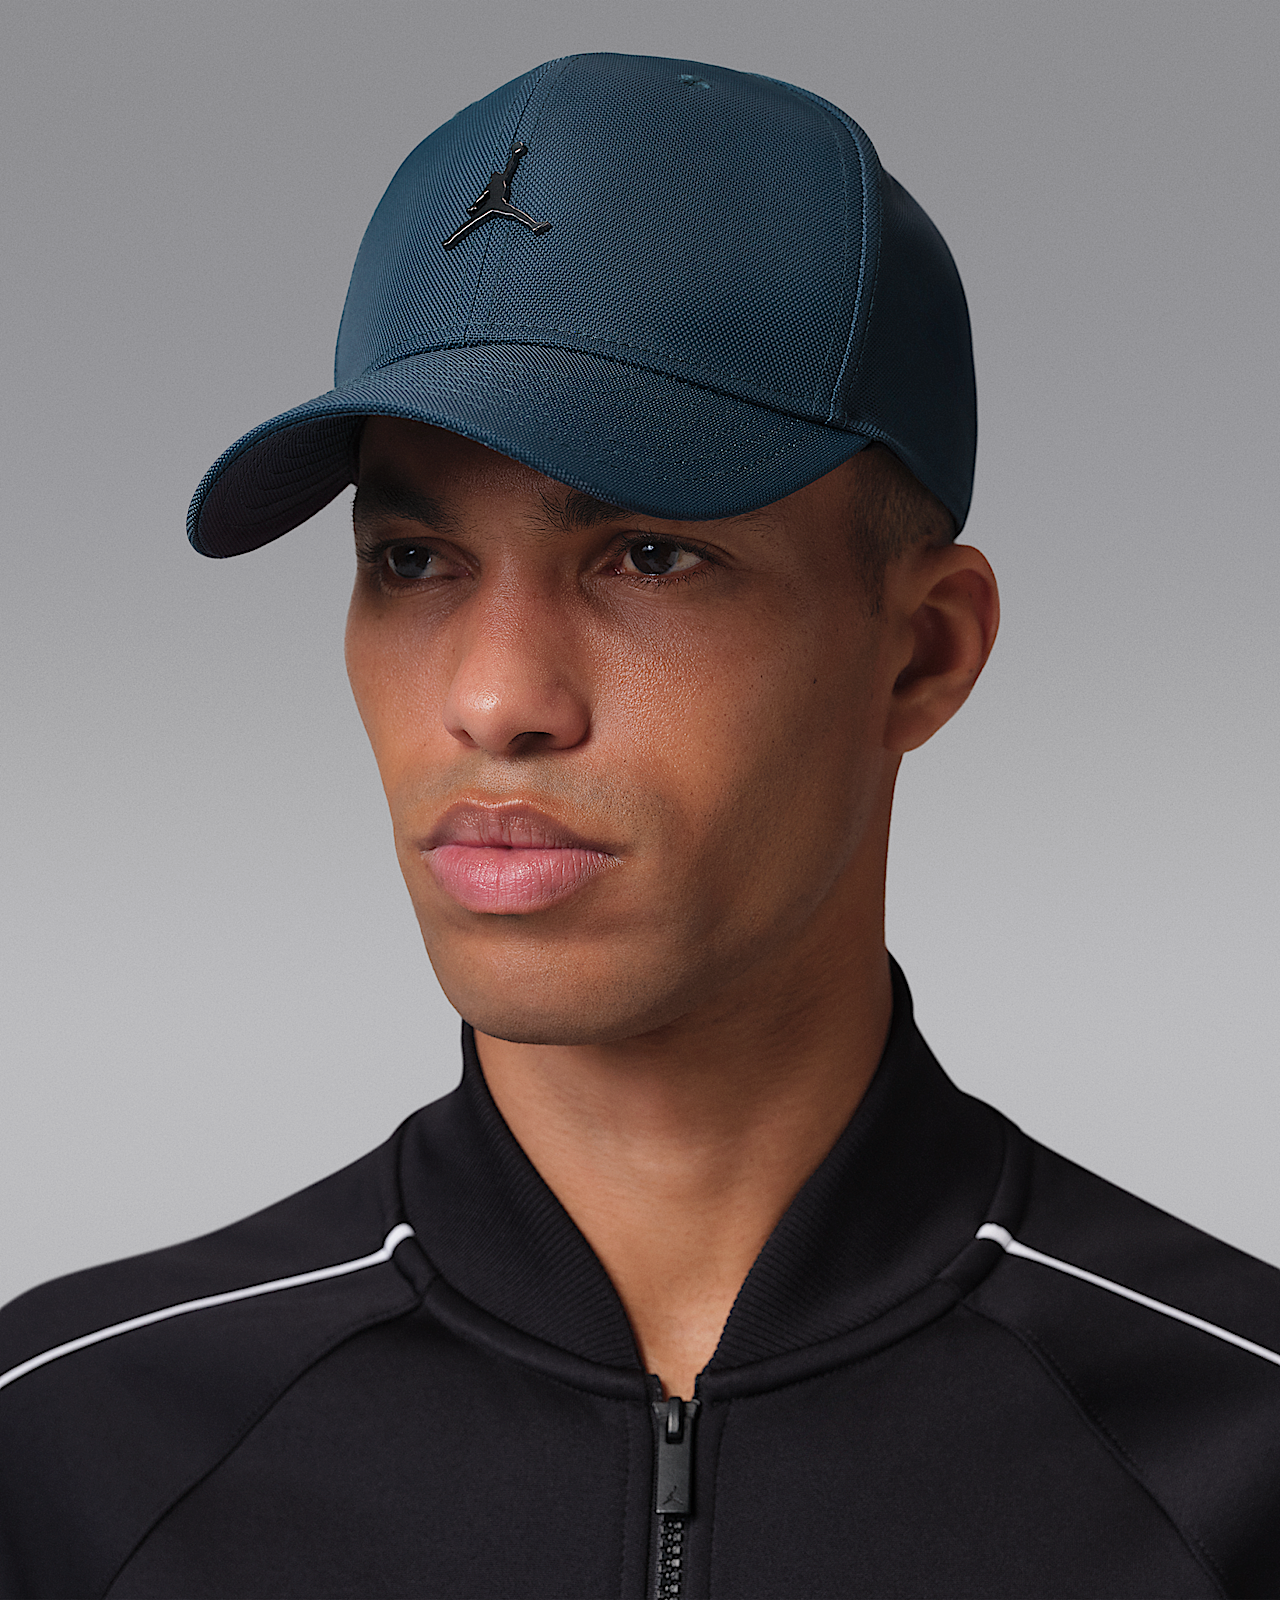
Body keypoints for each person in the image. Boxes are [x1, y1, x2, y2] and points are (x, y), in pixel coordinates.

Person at [2, 49, 1278, 1600]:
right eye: (412, 560)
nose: (494, 699)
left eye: (650, 555)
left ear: (923, 654)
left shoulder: (1237, 1457)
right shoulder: (72, 1452)